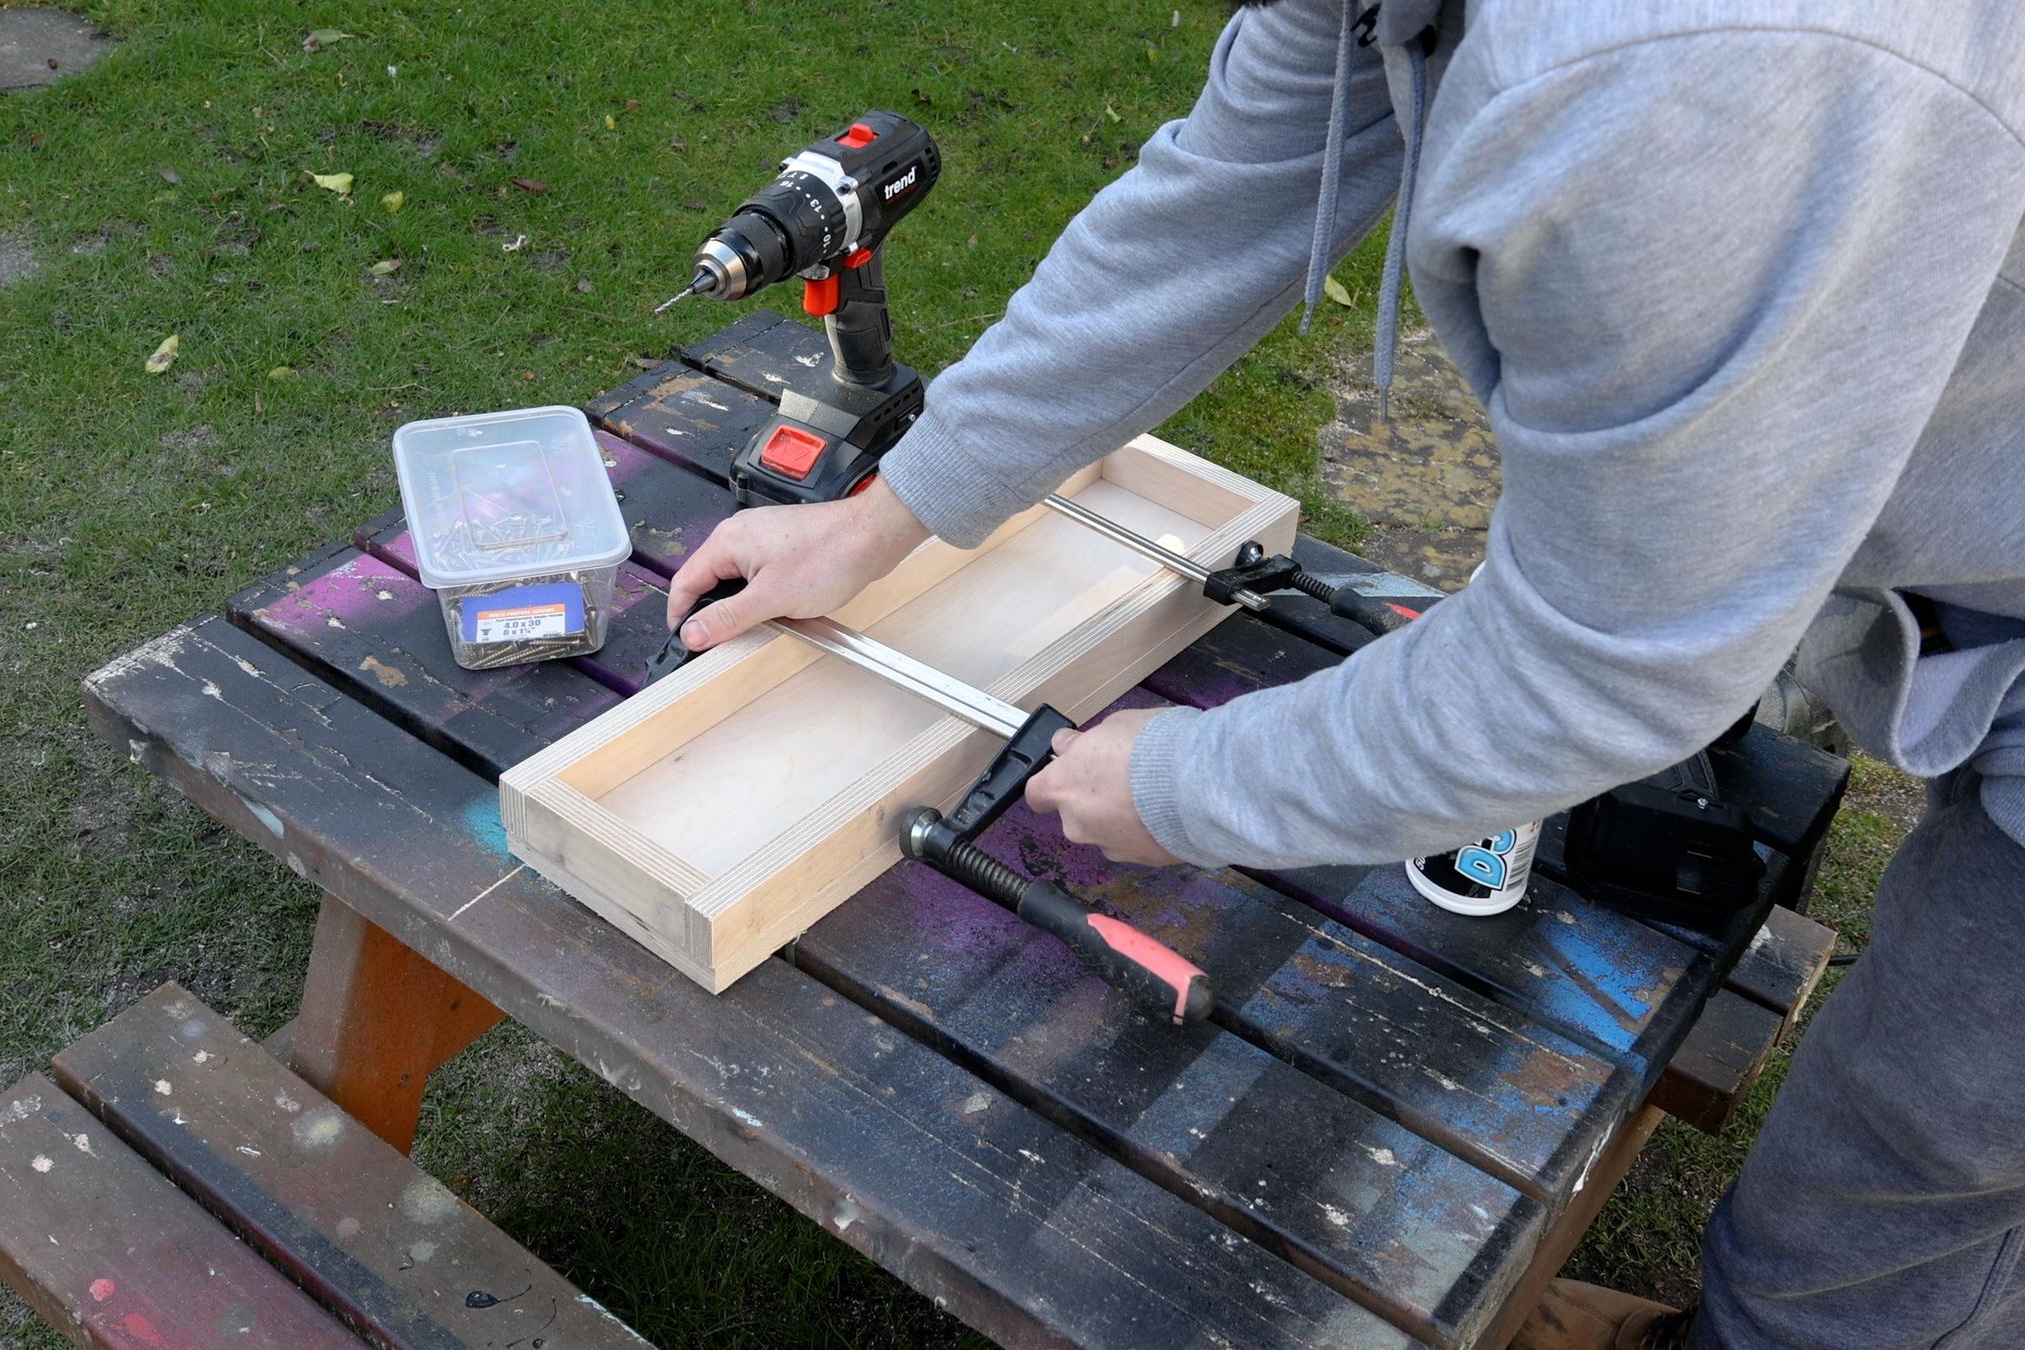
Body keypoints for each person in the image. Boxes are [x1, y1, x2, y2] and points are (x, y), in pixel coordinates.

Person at [662, 1, 2025, 1346]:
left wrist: (1186, 783)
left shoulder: (1673, 84)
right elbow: (1213, 205)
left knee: (1908, 1158)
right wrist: (884, 516)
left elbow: (1597, 675)